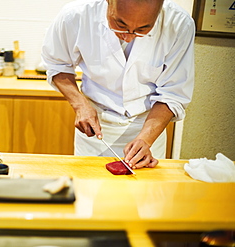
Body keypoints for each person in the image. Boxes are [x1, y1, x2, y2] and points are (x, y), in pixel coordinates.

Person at [41, 0, 195, 169]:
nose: (128, 37)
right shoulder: (76, 15)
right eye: (120, 24)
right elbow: (56, 64)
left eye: (143, 29)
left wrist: (146, 139)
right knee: (90, 191)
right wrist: (80, 104)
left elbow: (173, 92)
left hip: (148, 127)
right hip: (95, 129)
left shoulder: (179, 23)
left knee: (144, 194)